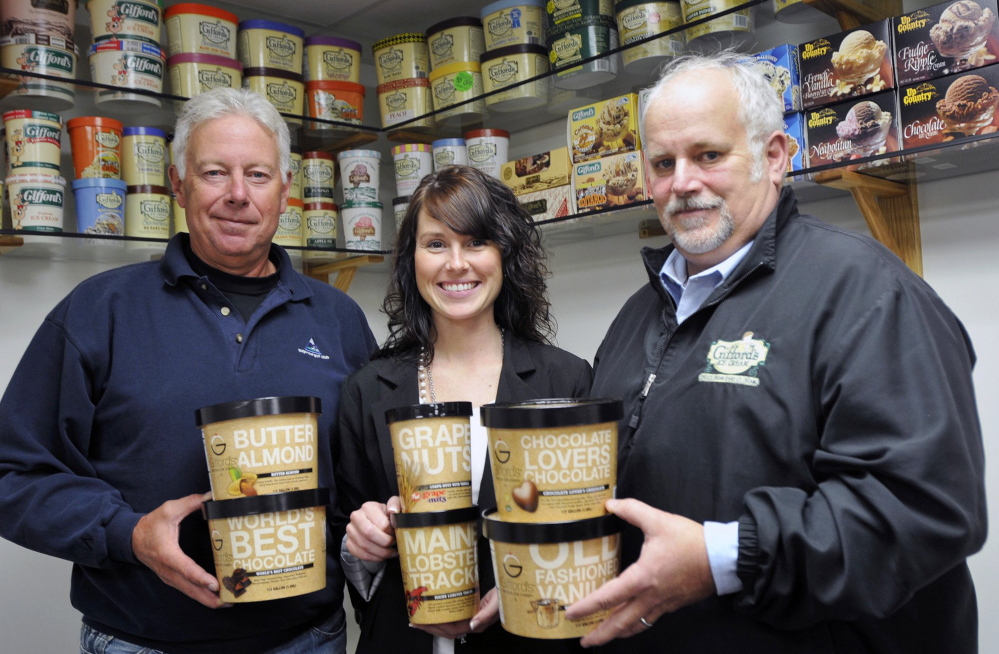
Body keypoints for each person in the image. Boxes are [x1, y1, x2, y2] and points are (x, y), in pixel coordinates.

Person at [565, 52, 987, 652]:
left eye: (708, 155)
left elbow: (924, 511)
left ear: (774, 157)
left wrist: (722, 558)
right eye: (663, 163)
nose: (682, 182)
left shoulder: (867, 293)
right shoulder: (639, 313)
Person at [0, 87, 376, 654]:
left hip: (308, 639)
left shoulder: (339, 319)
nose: (237, 195)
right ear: (178, 184)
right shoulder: (99, 310)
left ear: (284, 189)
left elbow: (365, 480)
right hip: (141, 642)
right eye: (213, 173)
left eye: (257, 174)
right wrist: (127, 534)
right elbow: (12, 474)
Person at [335, 165, 592, 653]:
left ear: (505, 254)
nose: (456, 263)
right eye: (435, 244)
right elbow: (342, 540)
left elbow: (584, 537)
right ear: (412, 259)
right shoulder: (367, 390)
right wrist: (361, 539)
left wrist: (524, 590)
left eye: (475, 242)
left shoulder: (566, 379)